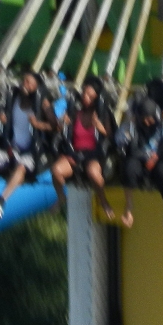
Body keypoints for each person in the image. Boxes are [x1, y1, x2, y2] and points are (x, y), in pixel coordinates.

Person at [0, 69, 55, 219]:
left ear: (36, 87)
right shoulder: (14, 97)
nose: (24, 85)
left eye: (29, 83)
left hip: (30, 151)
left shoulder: (42, 102)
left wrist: (39, 124)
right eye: (23, 81)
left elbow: (54, 125)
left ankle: (1, 200)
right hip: (12, 146)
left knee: (22, 167)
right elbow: (1, 112)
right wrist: (1, 116)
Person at [50, 78, 114, 219]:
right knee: (56, 170)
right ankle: (61, 197)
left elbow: (110, 135)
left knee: (94, 173)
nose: (86, 98)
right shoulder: (75, 112)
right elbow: (62, 129)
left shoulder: (102, 113)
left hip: (93, 155)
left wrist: (98, 126)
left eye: (90, 96)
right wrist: (63, 122)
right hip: (74, 153)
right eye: (85, 94)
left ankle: (102, 200)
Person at [117, 96, 163, 228]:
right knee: (129, 168)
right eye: (144, 119)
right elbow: (118, 139)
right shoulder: (133, 124)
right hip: (138, 156)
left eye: (150, 118)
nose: (147, 122)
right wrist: (128, 129)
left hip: (158, 158)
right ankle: (128, 206)